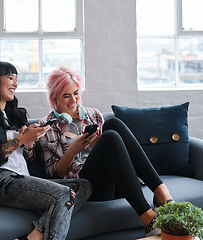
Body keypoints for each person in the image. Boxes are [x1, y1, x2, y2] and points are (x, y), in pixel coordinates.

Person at [37, 66, 174, 237]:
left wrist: (96, 147)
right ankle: (148, 218)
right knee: (110, 137)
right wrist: (73, 150)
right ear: (54, 96)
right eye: (66, 95)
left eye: (76, 93)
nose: (73, 100)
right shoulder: (46, 127)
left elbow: (112, 153)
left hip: (115, 181)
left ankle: (162, 193)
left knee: (113, 124)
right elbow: (52, 175)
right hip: (85, 188)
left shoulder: (93, 115)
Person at [0, 61, 92, 240]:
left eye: (16, 79)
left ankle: (34, 236)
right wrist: (20, 139)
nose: (15, 83)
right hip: (1, 182)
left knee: (83, 186)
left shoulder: (15, 115)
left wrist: (29, 146)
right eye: (10, 78)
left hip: (24, 178)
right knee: (62, 194)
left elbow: (26, 160)